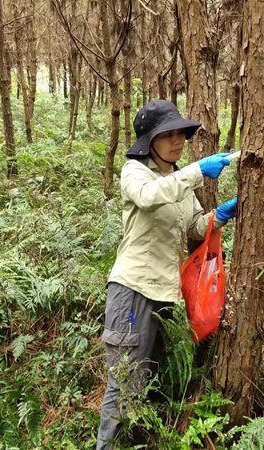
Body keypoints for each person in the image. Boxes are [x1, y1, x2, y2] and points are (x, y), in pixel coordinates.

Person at [96, 99, 237, 449]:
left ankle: (140, 440)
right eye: (168, 134)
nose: (178, 141)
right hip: (133, 290)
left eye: (181, 134)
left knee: (151, 378)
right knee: (125, 380)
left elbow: (193, 227)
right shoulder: (135, 172)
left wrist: (223, 214)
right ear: (150, 141)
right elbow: (147, 197)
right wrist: (198, 171)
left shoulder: (178, 182)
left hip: (165, 295)